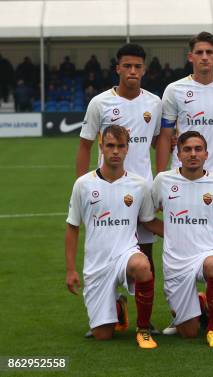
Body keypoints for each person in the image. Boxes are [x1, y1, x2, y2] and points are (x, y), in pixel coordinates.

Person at [157, 31, 213, 334]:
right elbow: (167, 135)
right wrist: (162, 173)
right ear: (190, 57)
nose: (204, 57)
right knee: (180, 241)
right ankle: (183, 311)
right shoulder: (175, 90)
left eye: (210, 52)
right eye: (199, 52)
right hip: (181, 176)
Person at [76, 43, 162, 336]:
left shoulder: (154, 103)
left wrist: (160, 181)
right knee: (106, 248)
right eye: (127, 66)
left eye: (138, 67)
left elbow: (160, 141)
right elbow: (85, 145)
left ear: (144, 70)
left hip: (143, 189)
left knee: (145, 253)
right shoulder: (100, 103)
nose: (133, 71)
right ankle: (111, 305)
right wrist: (83, 189)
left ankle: (144, 319)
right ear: (118, 69)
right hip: (107, 190)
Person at [65, 125, 163, 349]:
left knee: (142, 265)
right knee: (103, 335)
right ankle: (117, 306)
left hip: (125, 256)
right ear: (101, 148)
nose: (115, 151)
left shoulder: (138, 185)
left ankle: (144, 328)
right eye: (110, 146)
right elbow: (72, 227)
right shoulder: (83, 184)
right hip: (97, 264)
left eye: (121, 146)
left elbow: (149, 221)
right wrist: (71, 269)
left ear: (128, 149)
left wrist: (183, 231)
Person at [152, 131, 213, 347]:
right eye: (187, 149)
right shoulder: (163, 181)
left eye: (198, 149)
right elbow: (147, 217)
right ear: (178, 153)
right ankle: (201, 303)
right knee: (189, 333)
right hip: (176, 261)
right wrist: (174, 233)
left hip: (207, 253)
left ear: (206, 154)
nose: (193, 154)